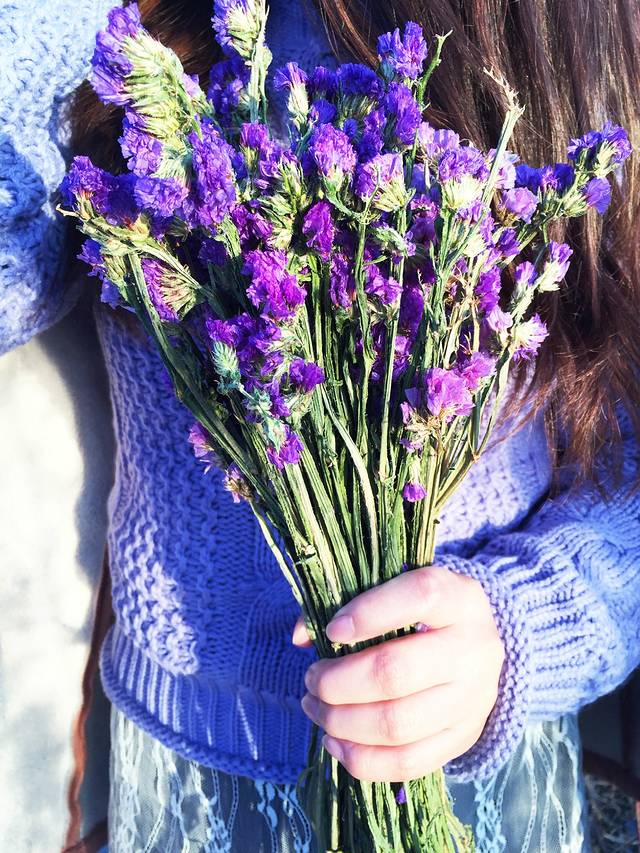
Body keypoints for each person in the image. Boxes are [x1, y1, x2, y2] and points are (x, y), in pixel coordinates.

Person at [2, 0, 639, 850]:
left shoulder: (562, 38)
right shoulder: (141, 28)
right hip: (200, 757)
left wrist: (521, 624)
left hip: (475, 751)